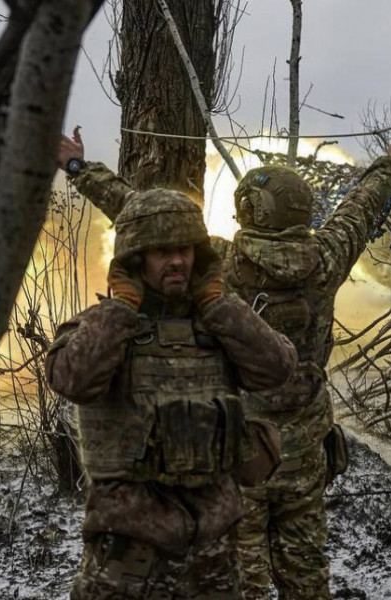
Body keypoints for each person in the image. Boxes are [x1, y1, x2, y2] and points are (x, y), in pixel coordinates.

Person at [45, 185, 296, 600]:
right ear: (135, 258)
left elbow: (276, 369)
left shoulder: (220, 324)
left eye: (185, 249)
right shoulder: (103, 325)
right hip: (128, 549)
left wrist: (218, 305)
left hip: (213, 548)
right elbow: (73, 378)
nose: (177, 260)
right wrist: (122, 308)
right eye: (162, 251)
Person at [226, 127, 391, 600]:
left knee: (238, 583)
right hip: (305, 457)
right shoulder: (327, 259)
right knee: (307, 578)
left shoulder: (218, 264)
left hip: (239, 459)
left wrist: (77, 169)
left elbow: (148, 221)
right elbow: (361, 207)